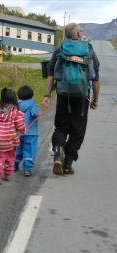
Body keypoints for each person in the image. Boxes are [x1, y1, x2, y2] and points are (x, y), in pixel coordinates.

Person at [42, 22, 100, 176]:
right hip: (82, 97)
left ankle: (58, 150)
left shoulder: (60, 49)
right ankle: (67, 164)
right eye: (81, 31)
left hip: (63, 94)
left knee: (61, 126)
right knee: (78, 130)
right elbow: (95, 78)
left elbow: (51, 74)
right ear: (79, 34)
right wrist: (95, 99)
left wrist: (47, 95)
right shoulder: (88, 49)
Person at [0, 88, 26, 185]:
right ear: (14, 100)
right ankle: (8, 174)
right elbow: (20, 125)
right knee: (10, 156)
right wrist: (23, 130)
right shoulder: (16, 112)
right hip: (11, 140)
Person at [16, 85, 42, 177]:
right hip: (31, 133)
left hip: (18, 132)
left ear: (19, 96)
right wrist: (38, 113)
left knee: (18, 149)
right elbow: (35, 113)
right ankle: (27, 168)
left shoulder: (17, 106)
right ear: (32, 95)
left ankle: (14, 164)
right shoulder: (33, 104)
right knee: (29, 150)